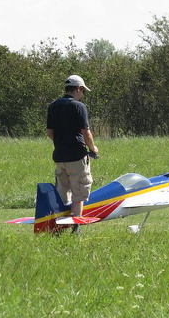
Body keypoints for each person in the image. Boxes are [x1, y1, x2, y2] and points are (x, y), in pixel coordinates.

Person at [46, 75, 99, 233]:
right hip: (76, 156)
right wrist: (93, 148)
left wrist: (61, 142)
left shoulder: (53, 106)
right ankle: (76, 228)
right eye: (83, 91)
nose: (82, 94)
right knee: (79, 192)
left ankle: (58, 228)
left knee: (62, 191)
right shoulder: (78, 106)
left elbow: (50, 132)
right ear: (79, 89)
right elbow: (86, 132)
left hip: (59, 156)